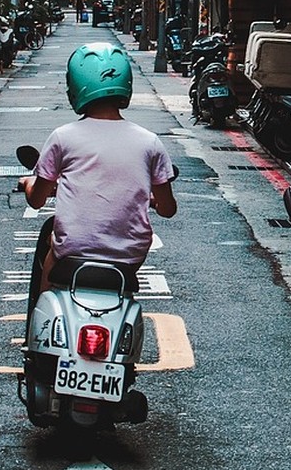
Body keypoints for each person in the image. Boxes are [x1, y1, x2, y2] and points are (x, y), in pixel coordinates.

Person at [19, 42, 177, 293]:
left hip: (73, 251)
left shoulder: (62, 137)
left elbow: (37, 200)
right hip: (130, 257)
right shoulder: (150, 142)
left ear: (75, 85)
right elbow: (168, 209)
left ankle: (43, 323)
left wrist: (28, 184)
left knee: (51, 251)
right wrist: (154, 200)